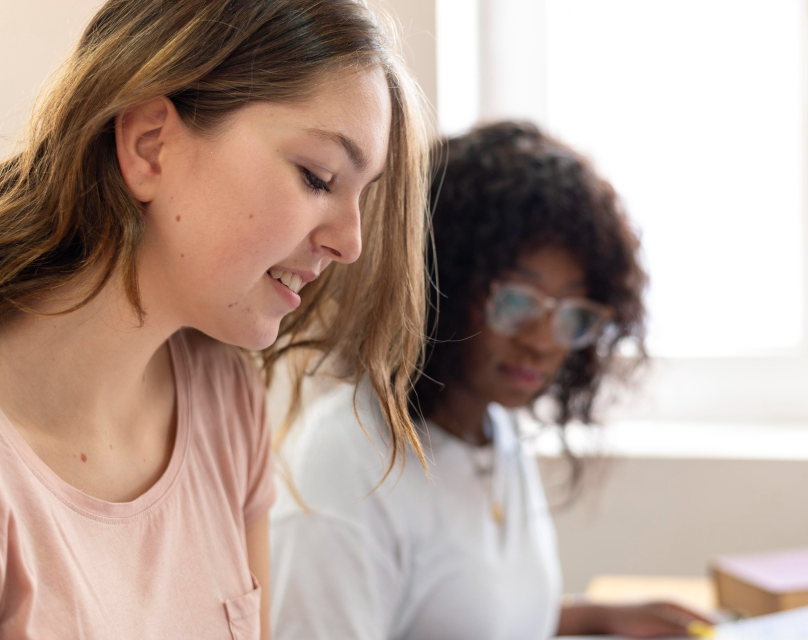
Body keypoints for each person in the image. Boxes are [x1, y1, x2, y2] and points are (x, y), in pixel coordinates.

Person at [0, 0, 431, 638]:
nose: (350, 242)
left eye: (361, 195)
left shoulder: (223, 401)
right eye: (317, 176)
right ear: (150, 145)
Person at [271, 121, 712, 639]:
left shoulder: (490, 428)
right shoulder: (348, 461)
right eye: (518, 302)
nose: (544, 341)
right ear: (443, 284)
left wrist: (590, 619)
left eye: (572, 312)